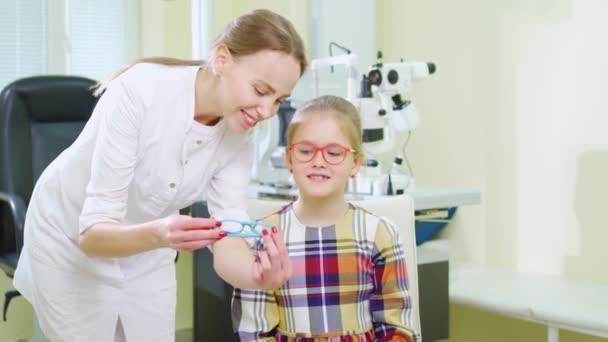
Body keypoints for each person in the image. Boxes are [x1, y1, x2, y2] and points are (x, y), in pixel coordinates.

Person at [13, 9, 306, 342]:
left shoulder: (241, 134)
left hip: (147, 249)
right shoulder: (141, 91)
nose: (268, 112)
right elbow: (92, 235)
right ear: (222, 59)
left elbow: (228, 229)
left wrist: (257, 277)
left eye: (279, 100)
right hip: (69, 241)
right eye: (261, 90)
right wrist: (161, 233)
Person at [232, 95, 419, 342]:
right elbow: (253, 333)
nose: (318, 161)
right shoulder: (262, 238)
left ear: (355, 163)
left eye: (333, 153)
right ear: (289, 159)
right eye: (306, 151)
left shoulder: (379, 233)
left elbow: (397, 327)